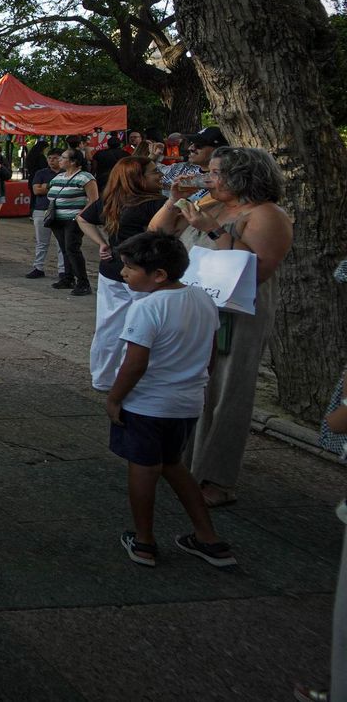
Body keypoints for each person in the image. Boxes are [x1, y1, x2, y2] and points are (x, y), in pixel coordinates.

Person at [149, 144, 293, 509]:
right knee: (192, 387)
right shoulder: (210, 203)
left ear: (242, 177)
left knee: (228, 392)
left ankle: (217, 478)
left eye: (215, 173)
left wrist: (212, 230)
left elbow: (257, 270)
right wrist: (173, 201)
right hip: (196, 311)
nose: (207, 178)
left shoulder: (267, 215)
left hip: (237, 316)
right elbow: (158, 234)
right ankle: (182, 464)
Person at [105, 231, 234, 570]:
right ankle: (208, 537)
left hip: (148, 404)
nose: (123, 274)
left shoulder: (147, 307)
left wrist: (115, 398)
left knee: (144, 469)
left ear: (158, 275)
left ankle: (144, 540)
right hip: (187, 403)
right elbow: (210, 353)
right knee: (174, 465)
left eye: (130, 269)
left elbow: (135, 362)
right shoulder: (203, 299)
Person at [77, 157, 167, 390]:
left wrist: (102, 243)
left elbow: (82, 218)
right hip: (143, 272)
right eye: (154, 172)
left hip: (113, 269)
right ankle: (129, 379)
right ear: (138, 178)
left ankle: (104, 378)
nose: (160, 176)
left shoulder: (111, 200)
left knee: (109, 325)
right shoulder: (156, 204)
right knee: (142, 327)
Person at [47, 147, 99, 296]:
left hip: (73, 219)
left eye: (63, 158)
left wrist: (81, 215)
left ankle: (83, 282)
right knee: (64, 249)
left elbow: (94, 199)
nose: (59, 160)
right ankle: (68, 278)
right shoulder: (58, 177)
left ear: (73, 161)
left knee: (72, 248)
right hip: (57, 219)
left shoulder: (85, 177)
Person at [25, 149, 67, 280]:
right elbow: (36, 190)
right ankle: (38, 267)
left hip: (62, 210)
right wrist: (53, 186)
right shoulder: (41, 173)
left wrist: (46, 187)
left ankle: (63, 270)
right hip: (42, 209)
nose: (51, 161)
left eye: (55, 158)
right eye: (49, 158)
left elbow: (66, 190)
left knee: (62, 242)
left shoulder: (67, 173)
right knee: (41, 241)